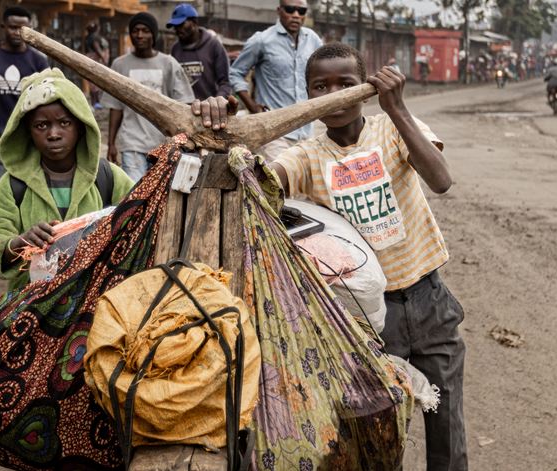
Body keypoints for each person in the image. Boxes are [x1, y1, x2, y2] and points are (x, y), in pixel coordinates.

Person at [193, 42, 467, 470]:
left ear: (366, 89)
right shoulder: (306, 155)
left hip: (429, 299)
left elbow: (441, 178)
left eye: (347, 84)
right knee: (380, 430)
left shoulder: (393, 129)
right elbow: (259, 183)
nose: (334, 94)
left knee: (446, 426)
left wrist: (396, 108)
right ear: (307, 97)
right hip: (363, 319)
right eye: (321, 86)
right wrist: (219, 133)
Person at [0, 68, 133, 291]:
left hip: (96, 304)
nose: (53, 133)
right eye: (41, 125)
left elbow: (141, 220)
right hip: (32, 309)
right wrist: (20, 242)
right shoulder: (13, 186)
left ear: (81, 126)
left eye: (64, 123)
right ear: (27, 132)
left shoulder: (108, 177)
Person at [101, 12, 194, 181]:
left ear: (154, 35)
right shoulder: (120, 64)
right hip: (132, 143)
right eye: (135, 31)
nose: (140, 35)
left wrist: (183, 142)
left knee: (159, 196)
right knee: (134, 194)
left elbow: (184, 104)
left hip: (164, 143)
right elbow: (115, 107)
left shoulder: (169, 64)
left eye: (145, 30)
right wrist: (111, 143)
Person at [228, 0, 322, 162]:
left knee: (307, 182)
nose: (295, 15)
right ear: (279, 10)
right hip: (274, 132)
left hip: (306, 129)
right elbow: (235, 73)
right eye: (290, 9)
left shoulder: (313, 39)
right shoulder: (262, 40)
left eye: (301, 11)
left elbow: (324, 70)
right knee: (280, 183)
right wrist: (252, 106)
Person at [0, 6, 49, 190]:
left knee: (28, 191)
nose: (18, 32)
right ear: (3, 26)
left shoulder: (39, 60)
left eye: (23, 28)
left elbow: (45, 102)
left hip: (28, 137)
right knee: (0, 192)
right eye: (13, 27)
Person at [166, 3, 232, 100]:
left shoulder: (213, 46)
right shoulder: (175, 49)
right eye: (175, 26)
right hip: (183, 109)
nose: (177, 29)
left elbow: (225, 83)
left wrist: (216, 102)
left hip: (210, 110)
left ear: (194, 22)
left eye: (181, 24)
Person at [84, 22, 110, 109]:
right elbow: (97, 48)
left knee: (92, 83)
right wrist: (103, 58)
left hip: (88, 59)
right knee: (95, 82)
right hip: (94, 61)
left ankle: (94, 102)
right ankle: (96, 102)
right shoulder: (95, 37)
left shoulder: (87, 37)